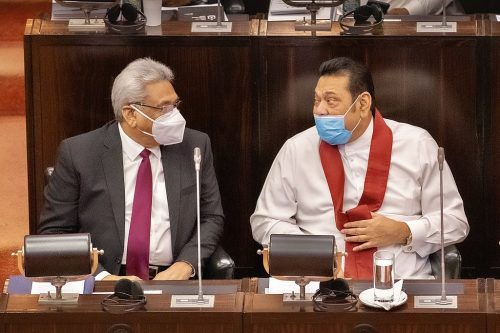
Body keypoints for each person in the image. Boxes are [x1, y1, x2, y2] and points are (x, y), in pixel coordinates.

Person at [250, 57, 469, 279]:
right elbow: (265, 221)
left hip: (402, 284)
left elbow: (455, 222)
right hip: (317, 285)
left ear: (363, 104)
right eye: (316, 100)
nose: (320, 110)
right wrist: (314, 250)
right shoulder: (296, 149)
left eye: (331, 100)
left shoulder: (417, 144)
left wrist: (404, 231)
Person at [38, 58, 224, 281]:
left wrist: (186, 264)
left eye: (175, 105)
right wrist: (101, 277)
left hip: (174, 280)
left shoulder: (194, 145)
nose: (174, 115)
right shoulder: (79, 153)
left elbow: (211, 217)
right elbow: (55, 232)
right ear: (130, 114)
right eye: (164, 107)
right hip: (106, 281)